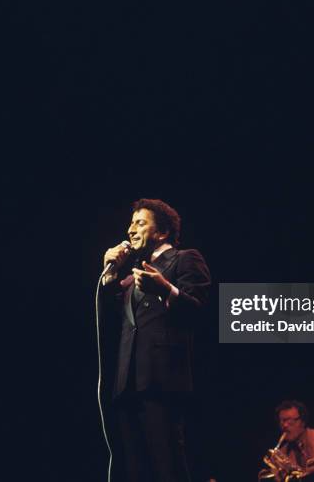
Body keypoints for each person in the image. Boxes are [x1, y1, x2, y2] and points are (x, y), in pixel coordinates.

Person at [101, 199, 211, 482]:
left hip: (162, 380)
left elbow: (200, 310)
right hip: (128, 383)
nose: (130, 230)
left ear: (161, 232)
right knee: (136, 470)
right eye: (130, 223)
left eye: (140, 222)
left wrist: (166, 289)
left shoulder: (184, 258)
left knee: (167, 466)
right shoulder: (131, 275)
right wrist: (111, 275)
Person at [259, 400, 314, 482]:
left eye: (289, 421)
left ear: (302, 421)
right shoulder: (282, 454)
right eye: (281, 421)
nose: (284, 426)